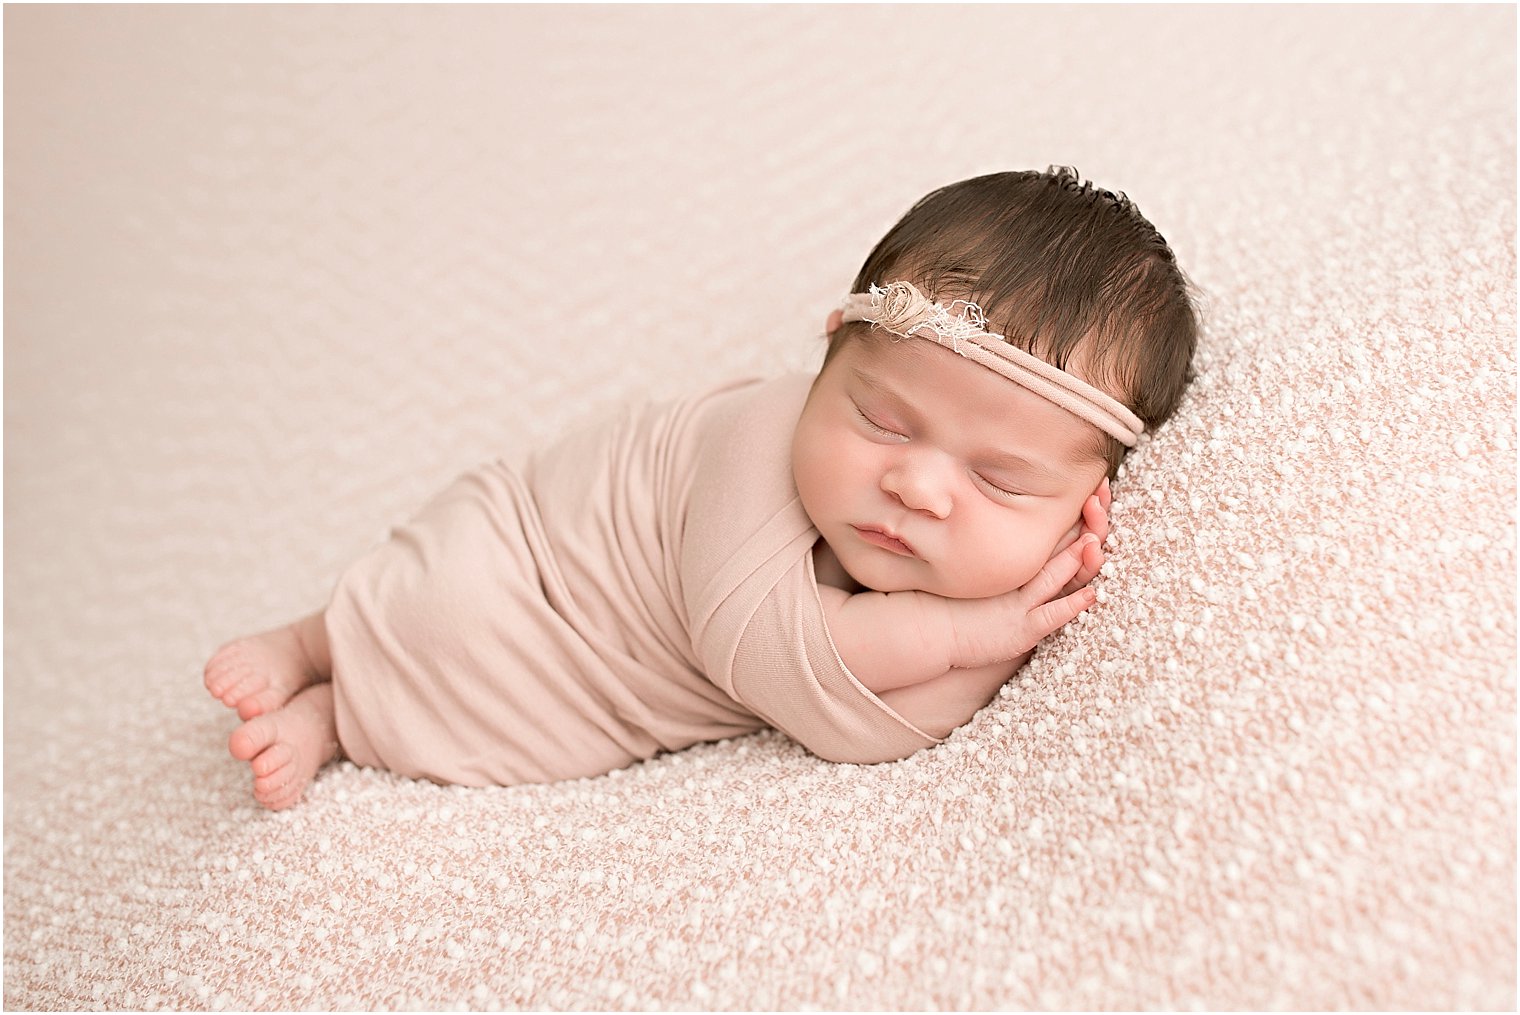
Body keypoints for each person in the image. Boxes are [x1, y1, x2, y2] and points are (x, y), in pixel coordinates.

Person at [203, 167, 1198, 810]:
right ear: (826, 360)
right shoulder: (756, 433)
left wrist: (976, 633)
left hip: (603, 682)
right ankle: (315, 641)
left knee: (521, 730)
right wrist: (971, 634)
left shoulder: (961, 541)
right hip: (538, 562)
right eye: (879, 419)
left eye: (997, 478)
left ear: (1084, 500)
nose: (916, 485)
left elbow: (860, 721)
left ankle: (336, 721)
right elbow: (777, 666)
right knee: (441, 602)